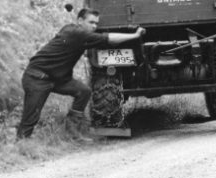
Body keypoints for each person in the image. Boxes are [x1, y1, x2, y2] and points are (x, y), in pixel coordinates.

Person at [16, 8, 144, 141]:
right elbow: (110, 39)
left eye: (96, 23)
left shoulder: (74, 31)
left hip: (57, 79)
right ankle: (21, 145)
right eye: (91, 22)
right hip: (37, 78)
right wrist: (134, 36)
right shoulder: (77, 33)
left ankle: (72, 132)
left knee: (83, 92)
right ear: (80, 21)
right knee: (30, 118)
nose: (94, 26)